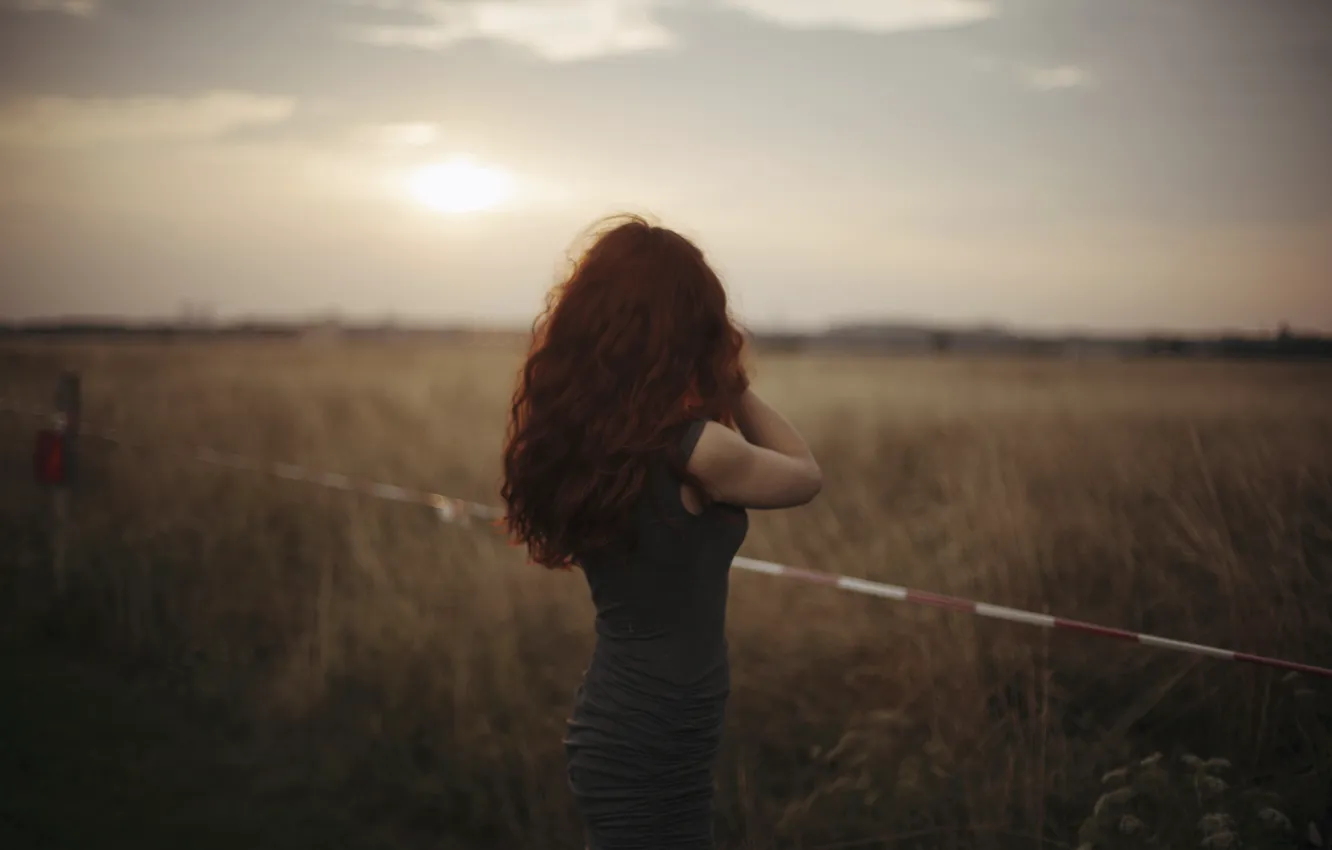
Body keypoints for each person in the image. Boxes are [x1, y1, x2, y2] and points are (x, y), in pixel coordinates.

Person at [500, 214, 822, 850]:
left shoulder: (594, 441)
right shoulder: (699, 451)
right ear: (688, 332)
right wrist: (734, 384)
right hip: (651, 735)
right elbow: (806, 475)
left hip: (627, 716)